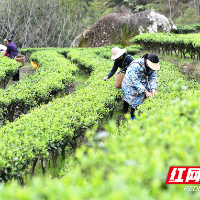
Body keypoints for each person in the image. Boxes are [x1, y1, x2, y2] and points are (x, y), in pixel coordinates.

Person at [121, 53, 160, 120]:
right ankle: (131, 117)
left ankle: (137, 116)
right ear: (147, 61)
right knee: (133, 100)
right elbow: (135, 81)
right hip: (130, 84)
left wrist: (153, 89)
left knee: (141, 99)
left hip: (141, 82)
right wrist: (145, 92)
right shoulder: (136, 65)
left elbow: (153, 77)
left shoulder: (151, 66)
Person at [103, 47, 134, 113]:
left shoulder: (129, 58)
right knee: (125, 92)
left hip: (131, 76)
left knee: (130, 92)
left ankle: (130, 110)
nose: (117, 58)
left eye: (118, 56)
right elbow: (113, 70)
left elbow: (135, 67)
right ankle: (125, 109)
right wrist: (107, 76)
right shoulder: (117, 60)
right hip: (124, 77)